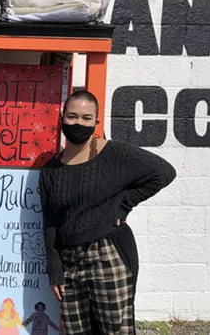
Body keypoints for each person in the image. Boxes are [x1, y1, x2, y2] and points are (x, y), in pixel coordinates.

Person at [39, 90, 176, 335]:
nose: (78, 123)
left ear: (96, 122)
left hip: (108, 254)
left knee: (115, 330)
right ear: (61, 119)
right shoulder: (50, 169)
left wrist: (123, 206)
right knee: (74, 331)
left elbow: (163, 172)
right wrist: (54, 270)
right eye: (72, 116)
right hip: (70, 261)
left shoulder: (115, 154)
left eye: (86, 118)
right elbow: (49, 222)